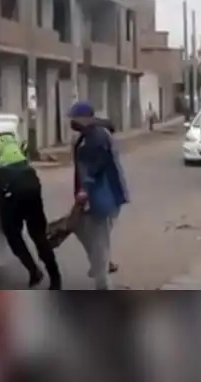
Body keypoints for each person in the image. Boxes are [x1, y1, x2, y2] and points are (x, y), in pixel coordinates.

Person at [69, 101, 129, 290]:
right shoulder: (87, 135)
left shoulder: (97, 136)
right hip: (93, 197)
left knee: (98, 241)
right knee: (80, 228)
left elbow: (97, 165)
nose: (72, 122)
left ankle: (103, 283)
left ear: (86, 118)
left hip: (103, 197)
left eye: (75, 118)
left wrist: (85, 188)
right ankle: (100, 265)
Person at [0, 132, 63, 289]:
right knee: (39, 236)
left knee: (13, 235)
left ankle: (33, 271)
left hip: (9, 183)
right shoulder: (14, 138)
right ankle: (55, 277)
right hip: (29, 178)